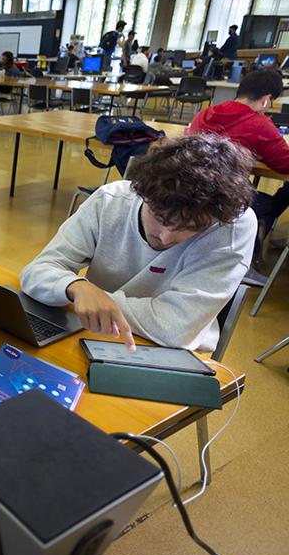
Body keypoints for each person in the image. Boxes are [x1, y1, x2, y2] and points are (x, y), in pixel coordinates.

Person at [20, 135, 256, 352]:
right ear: (143, 194)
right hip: (97, 331)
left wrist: (100, 300)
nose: (165, 237)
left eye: (189, 228)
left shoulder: (232, 228)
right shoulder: (111, 201)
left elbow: (176, 328)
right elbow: (36, 272)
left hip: (173, 351)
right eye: (160, 218)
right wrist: (77, 287)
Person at [187, 69, 289, 271]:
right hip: (225, 201)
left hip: (190, 191)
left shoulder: (204, 114)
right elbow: (285, 164)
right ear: (266, 100)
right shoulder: (260, 125)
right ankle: (257, 235)